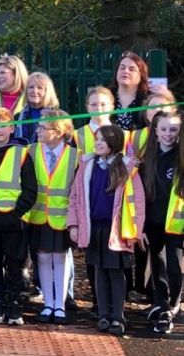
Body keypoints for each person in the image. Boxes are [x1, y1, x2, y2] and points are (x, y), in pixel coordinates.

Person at [68, 125, 145, 336]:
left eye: (103, 139)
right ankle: (103, 314)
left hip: (117, 230)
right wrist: (73, 225)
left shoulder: (127, 168)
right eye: (97, 139)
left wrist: (136, 231)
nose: (98, 142)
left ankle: (117, 316)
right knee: (99, 272)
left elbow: (137, 202)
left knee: (116, 273)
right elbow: (75, 197)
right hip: (94, 228)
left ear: (114, 142)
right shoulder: (87, 166)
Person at [0, 108, 37, 326]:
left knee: (15, 264)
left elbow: (31, 189)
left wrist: (17, 213)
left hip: (14, 221)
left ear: (12, 128)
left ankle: (14, 304)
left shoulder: (21, 153)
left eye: (3, 125)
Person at [29, 109, 78, 325]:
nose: (38, 130)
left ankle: (60, 304)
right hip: (38, 216)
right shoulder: (31, 151)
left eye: (43, 127)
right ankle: (47, 303)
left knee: (60, 258)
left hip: (62, 217)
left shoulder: (75, 155)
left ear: (59, 131)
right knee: (42, 258)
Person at [138, 111, 184, 334]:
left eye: (173, 129)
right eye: (164, 129)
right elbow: (142, 196)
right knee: (157, 265)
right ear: (155, 130)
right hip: (153, 223)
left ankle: (175, 302)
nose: (168, 134)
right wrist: (143, 225)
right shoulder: (147, 158)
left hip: (176, 224)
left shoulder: (181, 157)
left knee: (175, 268)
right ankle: (163, 305)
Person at [126, 88, 176, 160]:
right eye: (152, 107)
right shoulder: (135, 136)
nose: (157, 110)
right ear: (146, 113)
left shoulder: (180, 135)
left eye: (162, 106)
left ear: (173, 110)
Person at [14, 72, 60, 143]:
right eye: (31, 87)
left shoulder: (58, 117)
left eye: (40, 88)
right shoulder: (17, 118)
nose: (35, 91)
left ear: (47, 92)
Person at [109, 52, 150, 131]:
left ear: (141, 75)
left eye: (132, 69)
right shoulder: (105, 97)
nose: (126, 71)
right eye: (122, 68)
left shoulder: (148, 100)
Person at [73, 87, 115, 155]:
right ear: (87, 108)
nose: (98, 108)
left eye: (103, 104)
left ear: (112, 107)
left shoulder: (124, 135)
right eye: (93, 104)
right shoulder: (75, 135)